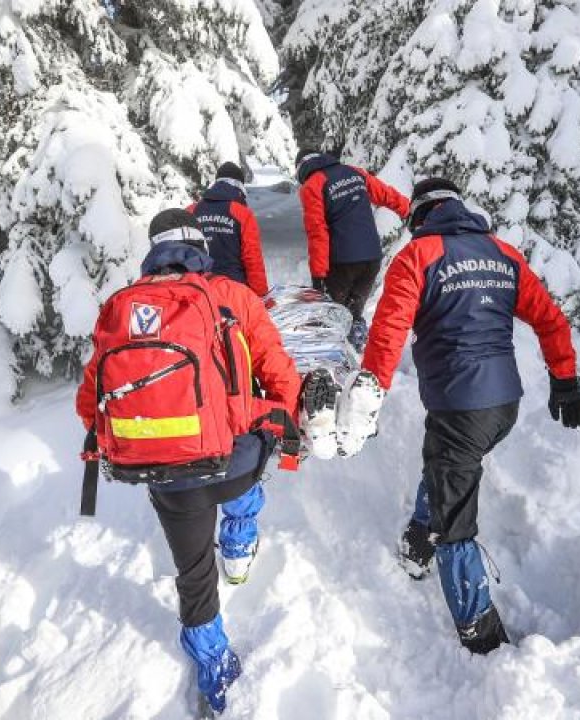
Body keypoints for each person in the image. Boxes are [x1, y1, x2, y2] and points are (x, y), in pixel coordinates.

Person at [340, 178, 580, 655]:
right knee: (448, 468)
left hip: (459, 405)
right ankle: (418, 536)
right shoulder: (502, 253)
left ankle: (480, 633)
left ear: (418, 217)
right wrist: (565, 380)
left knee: (454, 519)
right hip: (503, 407)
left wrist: (368, 393)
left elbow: (388, 330)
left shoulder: (418, 256)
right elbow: (549, 318)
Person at [75, 209, 302, 712]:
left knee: (194, 575)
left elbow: (89, 403)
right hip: (234, 458)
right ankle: (240, 549)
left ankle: (213, 667)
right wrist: (282, 429)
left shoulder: (122, 306)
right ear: (201, 248)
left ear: (152, 250)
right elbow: (282, 377)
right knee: (246, 473)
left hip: (167, 477)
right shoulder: (234, 297)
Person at [295, 149, 410, 347]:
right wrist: (411, 211)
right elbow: (386, 194)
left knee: (334, 315)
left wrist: (318, 276)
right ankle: (357, 348)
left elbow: (317, 233)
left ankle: (336, 358)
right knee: (354, 312)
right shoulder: (354, 172)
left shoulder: (312, 185)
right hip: (372, 258)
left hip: (342, 263)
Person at [188, 161, 270, 296]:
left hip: (198, 292)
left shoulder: (191, 211)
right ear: (239, 186)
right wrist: (261, 296)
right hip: (234, 292)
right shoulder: (243, 213)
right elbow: (253, 260)